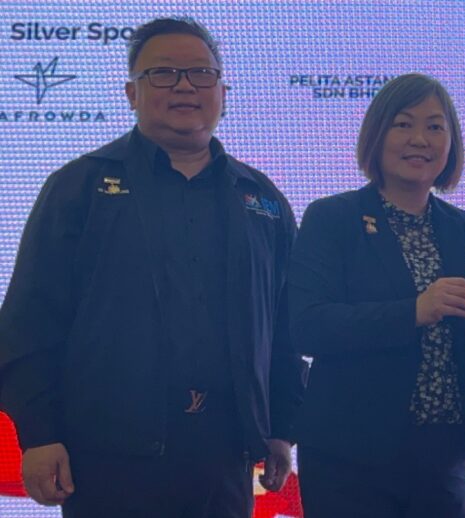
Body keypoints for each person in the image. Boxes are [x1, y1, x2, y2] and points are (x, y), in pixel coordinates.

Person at [0, 17, 306, 517]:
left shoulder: (262, 200)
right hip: (107, 454)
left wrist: (280, 429)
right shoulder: (79, 187)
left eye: (201, 73)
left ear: (223, 93)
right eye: (163, 73)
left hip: (224, 455)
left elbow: (285, 328)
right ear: (132, 93)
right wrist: (39, 434)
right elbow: (29, 320)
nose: (185, 86)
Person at [289, 73, 465, 518]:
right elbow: (308, 326)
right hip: (351, 459)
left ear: (451, 142)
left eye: (435, 126)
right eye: (403, 124)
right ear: (377, 134)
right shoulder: (333, 218)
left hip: (444, 457)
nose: (420, 139)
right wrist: (414, 311)